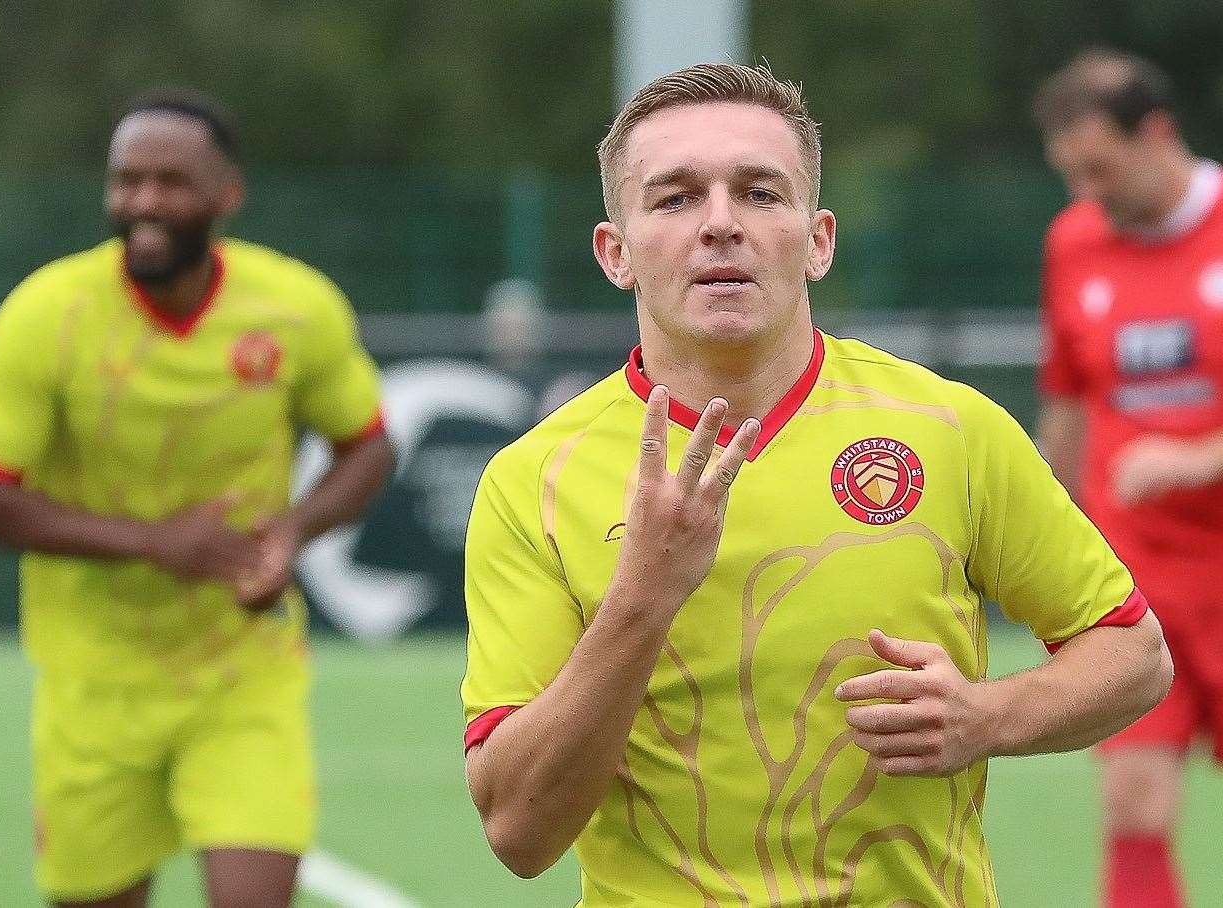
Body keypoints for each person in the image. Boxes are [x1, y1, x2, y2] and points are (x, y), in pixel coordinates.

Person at [461, 62, 1173, 907]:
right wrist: (643, 595)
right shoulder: (532, 480)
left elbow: (1132, 653)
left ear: (820, 239)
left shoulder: (951, 429)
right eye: (675, 197)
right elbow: (518, 831)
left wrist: (985, 718)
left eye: (761, 193)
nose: (721, 224)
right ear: (616, 253)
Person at [0, 91, 393, 907]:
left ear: (227, 196)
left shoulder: (295, 307)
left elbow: (368, 448)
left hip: (242, 672)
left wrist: (292, 532)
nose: (144, 202)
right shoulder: (48, 313)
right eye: (126, 180)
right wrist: (156, 542)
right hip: (94, 684)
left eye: (170, 182)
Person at [1034, 50, 1223, 907]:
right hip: (1139, 572)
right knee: (1133, 800)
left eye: (1099, 169)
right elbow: (1066, 400)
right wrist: (1039, 531)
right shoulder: (1074, 242)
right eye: (1071, 174)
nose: (1086, 193)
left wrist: (1204, 458)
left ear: (1159, 133)